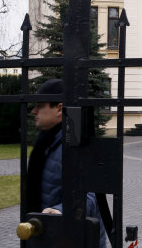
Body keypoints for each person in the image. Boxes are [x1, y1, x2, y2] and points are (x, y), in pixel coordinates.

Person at [26, 79, 106, 248]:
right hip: (49, 233)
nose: (34, 111)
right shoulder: (48, 142)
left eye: (40, 105)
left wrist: (61, 210)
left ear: (59, 108)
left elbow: (89, 195)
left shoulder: (74, 144)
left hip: (71, 237)